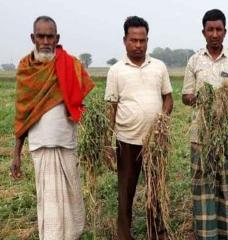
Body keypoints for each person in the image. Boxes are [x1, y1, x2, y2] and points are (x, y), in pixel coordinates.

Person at [10, 16, 95, 239]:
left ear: (57, 38)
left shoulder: (72, 65)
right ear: (33, 38)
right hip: (41, 147)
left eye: (50, 36)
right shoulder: (26, 70)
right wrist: (16, 153)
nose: (46, 41)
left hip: (67, 144)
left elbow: (81, 103)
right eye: (41, 36)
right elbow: (23, 114)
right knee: (49, 206)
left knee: (72, 202)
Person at [182, 9, 228, 240]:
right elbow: (186, 95)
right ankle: (206, 234)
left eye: (218, 29)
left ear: (225, 31)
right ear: (203, 32)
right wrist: (200, 97)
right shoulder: (194, 60)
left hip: (227, 135)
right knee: (203, 187)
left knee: (227, 184)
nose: (214, 34)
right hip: (200, 136)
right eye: (210, 29)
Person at [104, 16, 173, 240]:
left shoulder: (159, 66)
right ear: (125, 40)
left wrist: (162, 120)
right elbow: (111, 108)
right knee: (126, 191)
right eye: (133, 40)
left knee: (156, 189)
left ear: (147, 40)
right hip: (126, 141)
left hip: (154, 142)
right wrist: (107, 143)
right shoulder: (116, 70)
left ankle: (157, 233)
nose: (138, 45)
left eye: (142, 40)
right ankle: (123, 235)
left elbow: (168, 98)